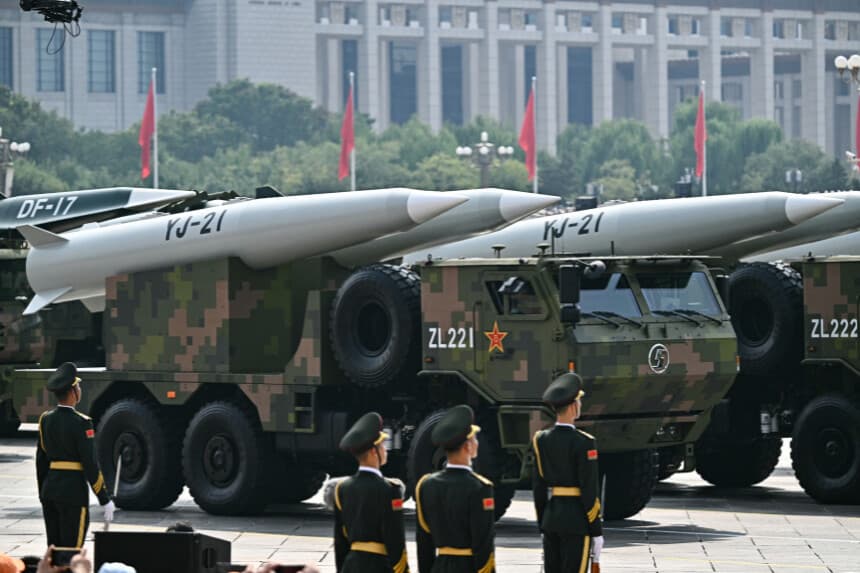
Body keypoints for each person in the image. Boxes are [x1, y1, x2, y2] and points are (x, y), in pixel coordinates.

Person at [36, 363, 115, 549]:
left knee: (53, 551)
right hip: (72, 493)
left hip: (50, 491)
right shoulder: (82, 423)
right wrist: (104, 498)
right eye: (78, 386)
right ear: (73, 392)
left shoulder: (45, 419)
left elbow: (41, 462)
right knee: (72, 551)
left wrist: (43, 492)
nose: (80, 390)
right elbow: (90, 463)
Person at [531, 372, 604, 573]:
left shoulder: (541, 439)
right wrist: (596, 531)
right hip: (577, 521)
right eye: (579, 401)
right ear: (573, 406)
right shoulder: (584, 442)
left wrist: (543, 524)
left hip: (551, 519)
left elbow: (538, 488)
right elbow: (589, 490)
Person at [415, 405, 495, 573]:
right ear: (467, 447)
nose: (476, 443)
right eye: (474, 439)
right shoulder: (479, 488)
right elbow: (484, 546)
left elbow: (424, 545)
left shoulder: (426, 485)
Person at [332, 412, 408, 573]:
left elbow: (340, 542)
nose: (385, 450)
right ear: (374, 452)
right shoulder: (391, 490)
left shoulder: (342, 489)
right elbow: (395, 539)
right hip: (379, 565)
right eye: (382, 446)